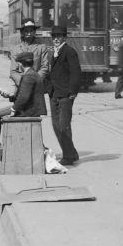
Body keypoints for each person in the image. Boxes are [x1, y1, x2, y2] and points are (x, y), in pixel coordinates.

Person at [0, 50, 47, 153]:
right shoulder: (33, 74)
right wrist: (10, 96)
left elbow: (24, 98)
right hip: (31, 108)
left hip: (29, 111)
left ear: (21, 64)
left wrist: (13, 109)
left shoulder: (28, 76)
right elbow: (24, 95)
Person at [48, 25, 81, 165]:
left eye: (59, 36)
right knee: (56, 126)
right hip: (54, 94)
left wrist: (73, 92)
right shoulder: (53, 52)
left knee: (63, 126)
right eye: (54, 36)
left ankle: (68, 156)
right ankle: (72, 152)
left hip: (66, 95)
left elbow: (76, 72)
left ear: (64, 37)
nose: (56, 39)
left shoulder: (69, 51)